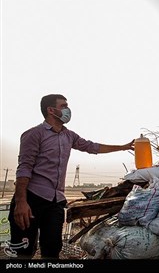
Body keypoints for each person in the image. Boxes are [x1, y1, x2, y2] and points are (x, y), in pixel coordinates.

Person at [7, 94, 135, 259]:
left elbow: (92, 146)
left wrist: (123, 147)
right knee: (23, 252)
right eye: (63, 106)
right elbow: (24, 168)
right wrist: (21, 202)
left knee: (52, 250)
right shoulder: (34, 134)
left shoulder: (69, 136)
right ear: (51, 110)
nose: (68, 110)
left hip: (56, 201)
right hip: (32, 199)